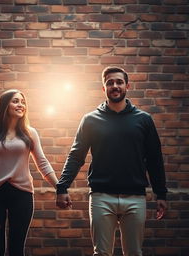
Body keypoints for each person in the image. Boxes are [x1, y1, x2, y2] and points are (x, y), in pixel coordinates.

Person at [56, 66, 168, 256]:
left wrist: (161, 194)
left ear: (127, 86)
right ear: (104, 88)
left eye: (119, 82)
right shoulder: (90, 120)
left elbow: (154, 159)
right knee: (101, 253)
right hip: (101, 197)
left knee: (134, 252)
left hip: (135, 197)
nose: (114, 86)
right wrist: (62, 187)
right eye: (110, 83)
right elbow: (76, 156)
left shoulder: (144, 120)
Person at [0, 89, 58, 256]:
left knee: (16, 249)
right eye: (15, 101)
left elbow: (42, 163)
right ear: (4, 105)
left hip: (21, 195)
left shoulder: (30, 133)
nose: (20, 105)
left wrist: (60, 188)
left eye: (23, 102)